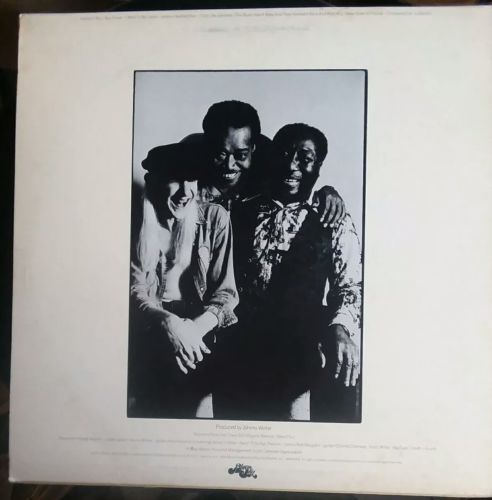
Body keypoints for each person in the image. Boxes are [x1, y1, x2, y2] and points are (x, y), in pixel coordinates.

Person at [227, 123, 362, 422]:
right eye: (285, 155)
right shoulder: (239, 210)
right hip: (243, 339)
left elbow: (351, 286)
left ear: (319, 166)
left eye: (305, 158)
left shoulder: (333, 219)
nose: (291, 166)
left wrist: (341, 328)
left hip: (300, 342)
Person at [127, 142, 238, 419]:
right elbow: (135, 291)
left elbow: (226, 295)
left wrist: (189, 332)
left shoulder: (215, 218)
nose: (186, 192)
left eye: (192, 180)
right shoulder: (133, 221)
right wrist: (167, 323)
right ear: (153, 181)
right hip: (149, 333)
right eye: (175, 180)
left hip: (199, 338)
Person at [183, 100, 347, 226]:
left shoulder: (270, 161)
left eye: (241, 155)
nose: (229, 164)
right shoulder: (187, 156)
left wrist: (327, 192)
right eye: (220, 154)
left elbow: (301, 176)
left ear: (253, 148)